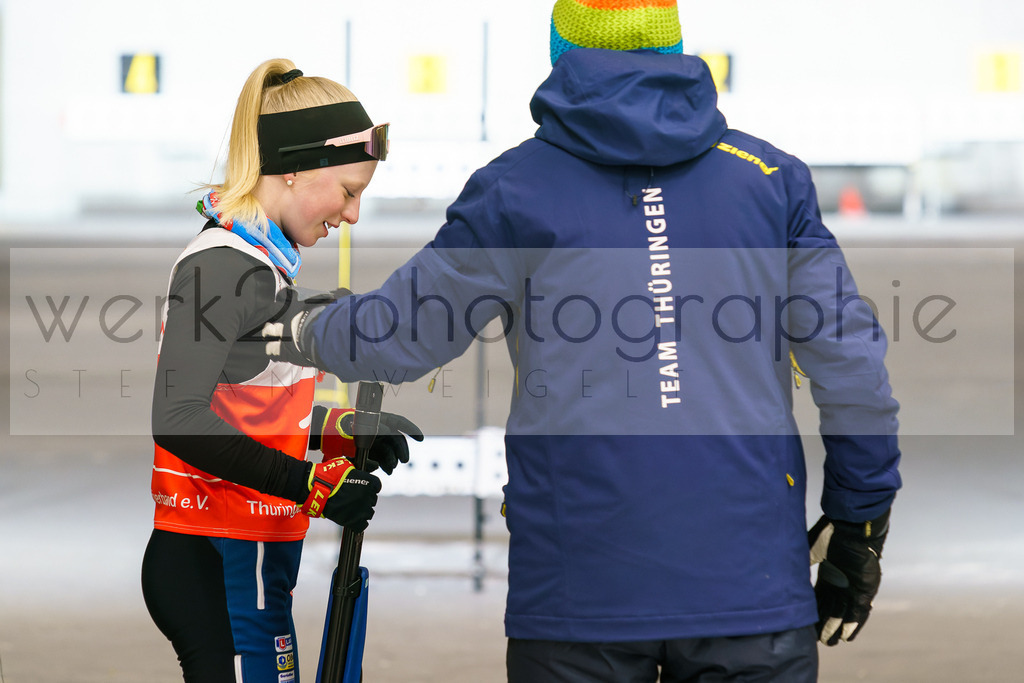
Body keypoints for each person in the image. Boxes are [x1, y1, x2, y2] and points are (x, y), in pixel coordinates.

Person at [264, 1, 902, 680]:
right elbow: (854, 371)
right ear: (675, 48)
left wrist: (288, 325)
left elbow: (400, 335)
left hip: (578, 594)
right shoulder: (770, 180)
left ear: (561, 52)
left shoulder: (514, 190)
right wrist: (859, 528)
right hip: (749, 586)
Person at [142, 58, 421, 683]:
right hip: (221, 557)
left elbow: (248, 400)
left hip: (251, 561)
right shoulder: (221, 266)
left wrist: (335, 429)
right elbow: (178, 418)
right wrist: (310, 483)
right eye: (348, 191)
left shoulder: (258, 263)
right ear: (294, 168)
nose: (352, 215)